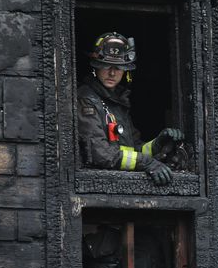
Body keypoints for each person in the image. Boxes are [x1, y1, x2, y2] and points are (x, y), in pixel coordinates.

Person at [77, 32, 184, 185]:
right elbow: (100, 154)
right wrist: (147, 163)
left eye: (119, 67)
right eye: (106, 65)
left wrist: (157, 144)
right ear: (95, 66)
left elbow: (132, 150)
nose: (112, 73)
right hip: (100, 185)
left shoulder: (117, 103)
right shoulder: (86, 99)